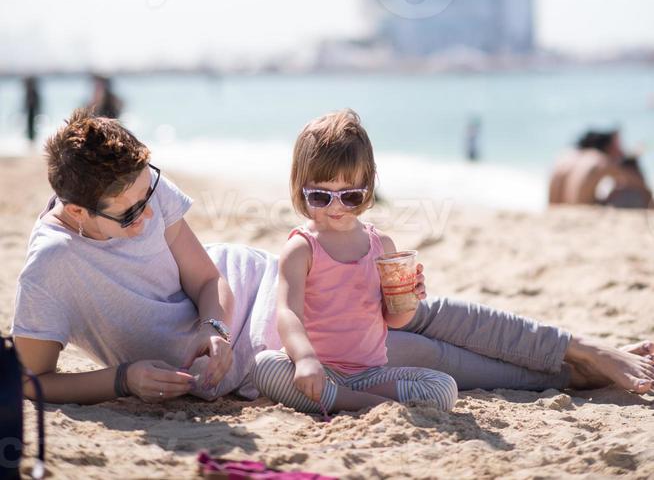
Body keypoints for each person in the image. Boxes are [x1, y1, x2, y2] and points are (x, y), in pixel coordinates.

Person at [11, 109, 654, 408]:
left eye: (149, 194)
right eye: (127, 216)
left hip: (261, 286)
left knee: (426, 313)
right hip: (281, 339)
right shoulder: (51, 270)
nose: (149, 216)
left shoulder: (145, 187)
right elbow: (31, 384)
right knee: (449, 362)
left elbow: (207, 278)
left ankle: (586, 348)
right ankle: (574, 372)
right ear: (73, 212)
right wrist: (124, 381)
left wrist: (210, 327)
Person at [252, 111, 458, 413]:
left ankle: (346, 399)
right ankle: (370, 405)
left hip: (371, 376)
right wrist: (305, 358)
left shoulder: (381, 245)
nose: (336, 206)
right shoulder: (302, 248)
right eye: (321, 196)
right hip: (318, 369)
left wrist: (409, 300)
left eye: (349, 196)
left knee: (444, 388)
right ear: (300, 188)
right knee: (264, 367)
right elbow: (288, 314)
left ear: (368, 187)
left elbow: (395, 320)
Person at [548, 129, 651, 208]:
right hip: (581, 211)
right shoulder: (599, 160)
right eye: (617, 148)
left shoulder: (566, 157)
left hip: (555, 209)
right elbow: (638, 184)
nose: (621, 152)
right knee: (633, 195)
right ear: (608, 147)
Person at [23, 76, 41, 143]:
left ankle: (32, 139)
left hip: (32, 111)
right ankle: (31, 139)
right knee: (30, 125)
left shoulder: (32, 91)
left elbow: (35, 102)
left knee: (32, 125)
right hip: (30, 111)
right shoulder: (31, 91)